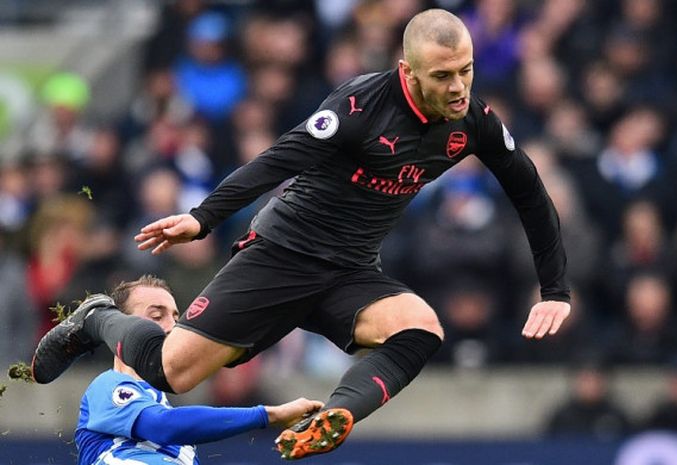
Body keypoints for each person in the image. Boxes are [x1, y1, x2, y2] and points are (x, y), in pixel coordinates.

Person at [32, 8, 571, 461]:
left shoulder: (473, 121)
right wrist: (204, 217)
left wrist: (554, 290)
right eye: (442, 76)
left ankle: (337, 414)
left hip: (351, 271)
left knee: (421, 327)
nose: (457, 88)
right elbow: (280, 157)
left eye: (465, 71)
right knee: (171, 373)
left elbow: (530, 193)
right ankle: (98, 315)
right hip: (282, 256)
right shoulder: (360, 107)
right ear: (407, 72)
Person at [74, 275, 322, 465]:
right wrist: (268, 415)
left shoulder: (177, 435)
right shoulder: (108, 386)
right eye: (156, 316)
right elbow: (163, 426)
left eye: (175, 317)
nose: (172, 327)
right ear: (120, 327)